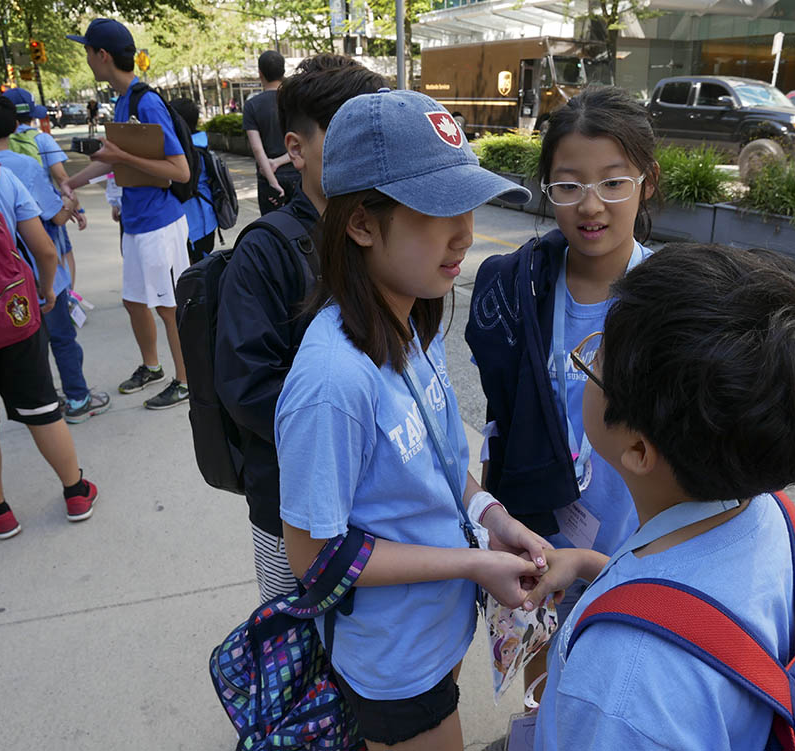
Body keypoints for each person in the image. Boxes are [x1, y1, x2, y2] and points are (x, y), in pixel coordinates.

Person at [524, 243, 795, 749]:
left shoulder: (620, 683)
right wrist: (587, 563)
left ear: (638, 448)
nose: (589, 359)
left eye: (596, 359)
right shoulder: (769, 514)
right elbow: (706, 605)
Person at [276, 90, 548, 750]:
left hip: (436, 626)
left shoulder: (413, 323)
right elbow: (314, 554)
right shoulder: (333, 380)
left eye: (467, 204)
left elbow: (438, 464)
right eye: (436, 209)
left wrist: (493, 518)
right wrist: (468, 566)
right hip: (393, 660)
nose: (465, 232)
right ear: (362, 224)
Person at [465, 86, 659, 693]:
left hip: (634, 546)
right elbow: (502, 411)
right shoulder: (518, 287)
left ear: (645, 183)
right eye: (569, 185)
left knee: (616, 692)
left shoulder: (670, 301)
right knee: (544, 698)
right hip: (538, 542)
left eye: (613, 182)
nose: (590, 205)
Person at [216, 54, 387, 603]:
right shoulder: (266, 252)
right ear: (295, 148)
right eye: (344, 140)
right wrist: (348, 437)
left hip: (376, 493)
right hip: (292, 504)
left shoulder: (383, 234)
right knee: (296, 642)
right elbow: (246, 386)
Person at [0, 89, 99, 539]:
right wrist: (44, 292)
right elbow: (44, 249)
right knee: (42, 409)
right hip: (15, 313)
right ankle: (75, 492)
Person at [63, 18, 192, 411]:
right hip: (137, 222)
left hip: (160, 223)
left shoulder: (146, 102)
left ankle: (186, 381)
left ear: (102, 56)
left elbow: (179, 171)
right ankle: (151, 366)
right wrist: (73, 183)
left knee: (169, 307)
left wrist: (119, 156)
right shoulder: (123, 101)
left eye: (87, 51)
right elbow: (113, 162)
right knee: (135, 300)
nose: (86, 58)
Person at [0, 92, 110, 427]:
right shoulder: (25, 166)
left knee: (28, 347)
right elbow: (54, 219)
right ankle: (78, 397)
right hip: (38, 272)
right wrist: (71, 204)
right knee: (62, 339)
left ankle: (42, 404)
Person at [243, 50, 299, 214]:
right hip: (297, 173)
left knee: (273, 231)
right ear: (283, 72)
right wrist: (279, 161)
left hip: (268, 179)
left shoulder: (252, 105)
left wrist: (272, 180)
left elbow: (257, 148)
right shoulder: (294, 101)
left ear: (260, 73)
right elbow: (304, 142)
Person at [168, 97, 217, 264]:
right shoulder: (202, 145)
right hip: (207, 217)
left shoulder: (183, 153)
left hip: (190, 222)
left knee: (192, 271)